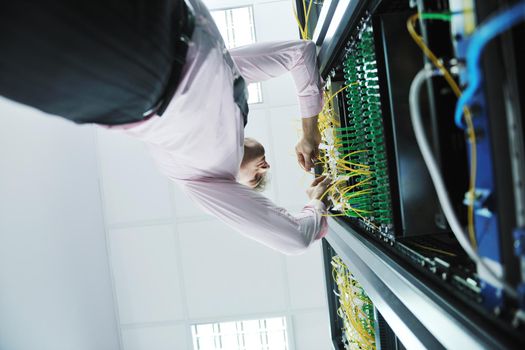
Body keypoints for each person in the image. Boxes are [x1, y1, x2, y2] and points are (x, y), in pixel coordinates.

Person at [0, 0, 331, 255]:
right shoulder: (233, 85)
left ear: (239, 189)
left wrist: (314, 206)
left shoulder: (205, 181)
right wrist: (309, 132)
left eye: (256, 179)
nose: (264, 167)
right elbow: (300, 55)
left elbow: (294, 239)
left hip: (131, 83)